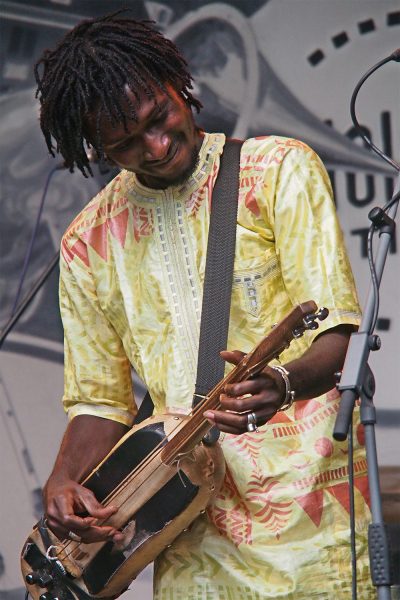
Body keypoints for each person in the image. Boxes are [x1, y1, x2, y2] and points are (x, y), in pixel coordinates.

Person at [34, 11, 374, 600]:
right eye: (126, 144)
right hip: (193, 530)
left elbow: (340, 338)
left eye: (159, 117)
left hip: (311, 521)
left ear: (178, 82)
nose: (158, 146)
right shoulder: (88, 241)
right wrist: (64, 479)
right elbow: (99, 400)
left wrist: (283, 383)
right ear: (97, 149)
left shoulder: (279, 172)